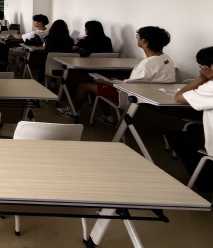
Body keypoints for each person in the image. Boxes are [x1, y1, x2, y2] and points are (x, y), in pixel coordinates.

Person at [57, 26, 176, 122]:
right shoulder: (166, 58)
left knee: (84, 85)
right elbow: (138, 82)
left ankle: (72, 111)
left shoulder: (147, 64)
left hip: (130, 96)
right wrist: (115, 81)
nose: (137, 39)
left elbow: (129, 88)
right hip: (154, 94)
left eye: (138, 37)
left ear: (145, 41)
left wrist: (108, 82)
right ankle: (107, 116)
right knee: (106, 81)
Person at [166, 46, 213, 192]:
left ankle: (206, 183)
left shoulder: (210, 87)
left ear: (210, 67)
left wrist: (201, 78)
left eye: (202, 67)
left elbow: (179, 97)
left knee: (174, 137)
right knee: (193, 128)